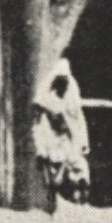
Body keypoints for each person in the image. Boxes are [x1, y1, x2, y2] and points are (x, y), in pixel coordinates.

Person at [32, 58, 92, 206]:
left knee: (78, 169)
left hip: (68, 147)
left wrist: (81, 143)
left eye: (65, 81)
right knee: (54, 181)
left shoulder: (71, 104)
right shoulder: (45, 117)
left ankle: (78, 200)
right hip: (53, 150)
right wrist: (42, 152)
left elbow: (78, 122)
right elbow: (38, 131)